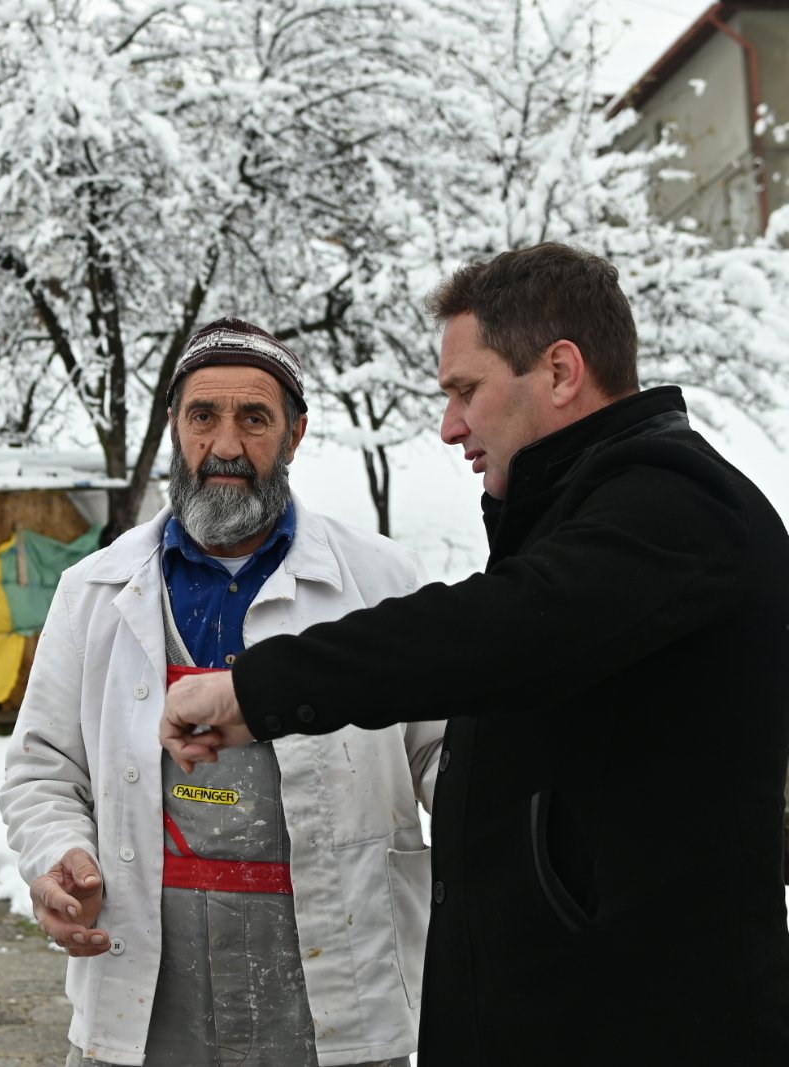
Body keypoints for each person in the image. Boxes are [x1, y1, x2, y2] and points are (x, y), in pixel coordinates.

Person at [162, 244, 789, 1064]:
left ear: (560, 371)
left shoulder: (680, 503)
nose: (450, 424)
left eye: (466, 390)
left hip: (641, 1027)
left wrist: (256, 689)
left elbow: (508, 627)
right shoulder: (587, 510)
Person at [1, 317, 444, 1067]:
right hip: (146, 986)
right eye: (203, 416)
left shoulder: (381, 583)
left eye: (255, 418)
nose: (226, 445)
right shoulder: (94, 591)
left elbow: (444, 757)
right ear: (175, 427)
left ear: (295, 435)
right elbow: (43, 768)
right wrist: (59, 852)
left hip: (337, 984)